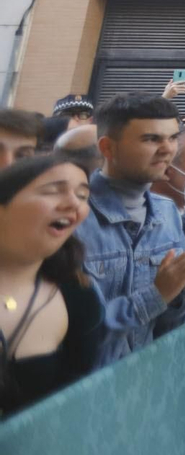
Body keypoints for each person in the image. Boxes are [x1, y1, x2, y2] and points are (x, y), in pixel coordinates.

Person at [74, 94, 185, 363]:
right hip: (79, 391)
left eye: (172, 138)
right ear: (108, 148)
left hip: (142, 379)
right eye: (151, 139)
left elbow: (164, 326)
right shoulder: (72, 217)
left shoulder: (167, 213)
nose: (168, 150)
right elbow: (69, 335)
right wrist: (157, 294)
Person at [0, 153, 104, 416]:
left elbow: (71, 405)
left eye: (82, 195)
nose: (73, 203)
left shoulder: (78, 296)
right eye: (53, 191)